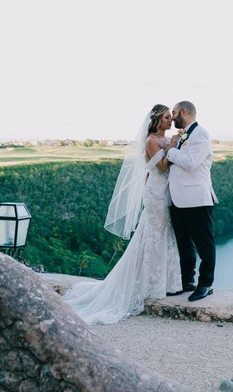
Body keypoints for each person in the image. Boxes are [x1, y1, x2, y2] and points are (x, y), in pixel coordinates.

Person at [62, 104, 181, 324]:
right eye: (166, 117)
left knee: (164, 235)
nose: (170, 121)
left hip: (166, 192)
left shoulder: (164, 140)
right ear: (156, 120)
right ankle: (149, 283)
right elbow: (162, 167)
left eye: (170, 117)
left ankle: (163, 281)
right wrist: (173, 145)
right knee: (153, 234)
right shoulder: (151, 141)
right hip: (155, 192)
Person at [166, 101, 218, 302]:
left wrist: (170, 150)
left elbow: (190, 163)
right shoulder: (183, 135)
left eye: (174, 113)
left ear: (184, 112)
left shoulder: (200, 133)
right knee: (184, 244)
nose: (172, 117)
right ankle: (187, 280)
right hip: (178, 199)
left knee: (204, 244)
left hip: (197, 199)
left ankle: (206, 284)